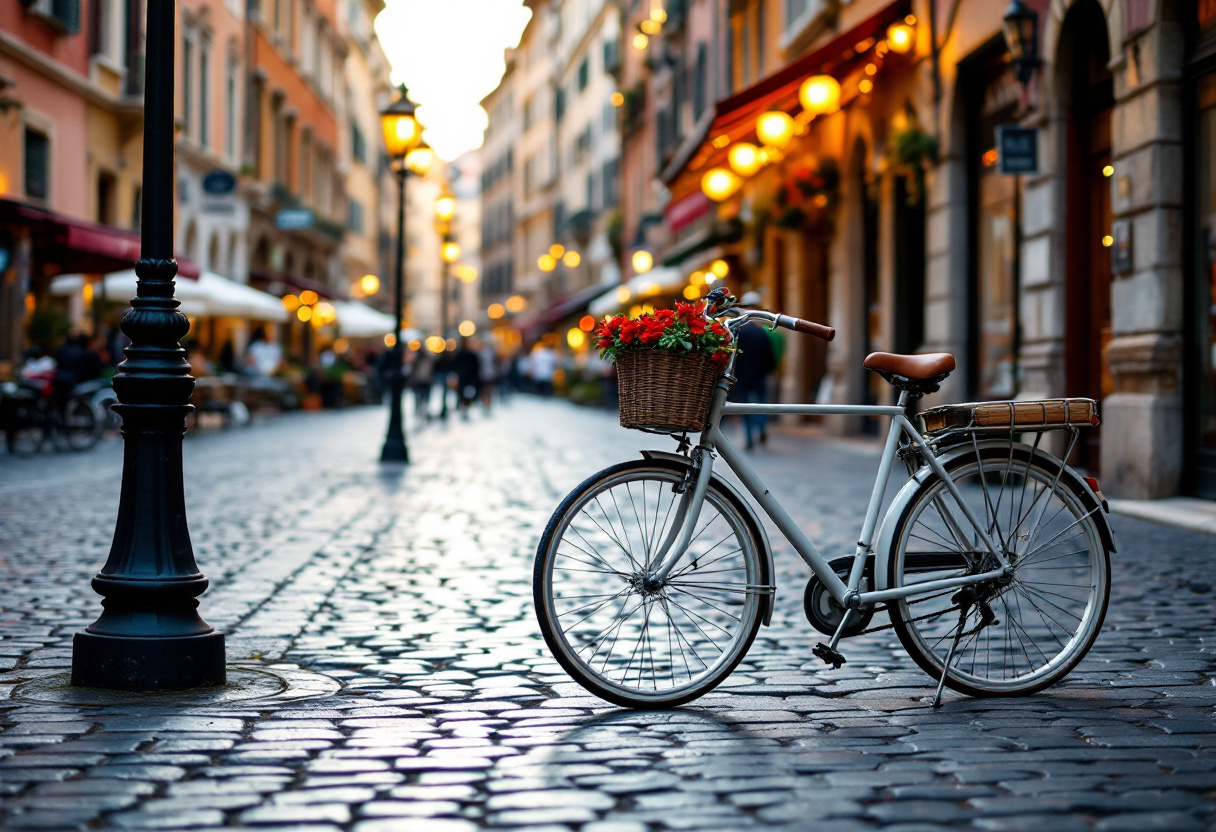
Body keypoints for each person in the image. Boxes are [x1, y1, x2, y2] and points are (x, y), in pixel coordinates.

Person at [730, 291, 776, 450]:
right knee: (762, 404)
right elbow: (770, 355)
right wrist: (768, 369)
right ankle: (761, 428)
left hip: (743, 376)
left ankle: (750, 437)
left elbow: (735, 356)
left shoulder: (740, 332)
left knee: (745, 406)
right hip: (760, 375)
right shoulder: (762, 332)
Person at [448, 338, 481, 418]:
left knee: (464, 394)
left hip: (465, 377)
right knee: (465, 394)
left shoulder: (464, 354)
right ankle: (464, 408)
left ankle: (463, 408)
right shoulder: (467, 354)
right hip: (465, 377)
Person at [408, 349, 434, 420]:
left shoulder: (422, 360)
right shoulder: (426, 360)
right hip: (422, 380)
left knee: (421, 396)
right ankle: (422, 410)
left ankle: (421, 410)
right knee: (423, 396)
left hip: (422, 380)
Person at [477, 339, 499, 413]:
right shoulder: (482, 353)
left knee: (487, 391)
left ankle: (487, 406)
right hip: (485, 375)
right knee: (485, 391)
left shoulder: (492, 353)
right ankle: (486, 405)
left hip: (489, 374)